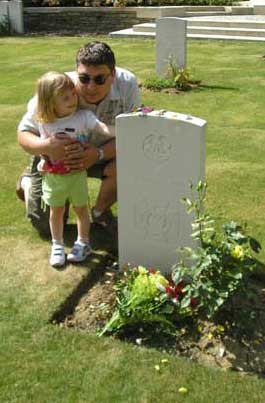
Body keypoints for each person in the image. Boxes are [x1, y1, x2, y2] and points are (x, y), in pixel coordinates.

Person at [17, 41, 141, 237]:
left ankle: (100, 211)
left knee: (133, 160)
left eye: (100, 79)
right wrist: (48, 146)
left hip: (103, 151)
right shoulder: (57, 88)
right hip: (55, 157)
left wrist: (98, 154)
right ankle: (27, 180)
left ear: (113, 74)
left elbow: (132, 133)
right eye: (83, 78)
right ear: (76, 73)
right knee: (43, 224)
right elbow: (23, 134)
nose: (91, 87)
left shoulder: (128, 85)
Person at [34, 71, 114, 267]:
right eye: (65, 98)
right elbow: (44, 147)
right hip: (54, 178)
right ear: (50, 102)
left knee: (81, 210)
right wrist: (42, 161)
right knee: (56, 211)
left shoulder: (84, 117)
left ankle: (83, 242)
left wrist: (127, 127)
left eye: (72, 94)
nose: (72, 99)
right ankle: (58, 245)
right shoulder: (45, 123)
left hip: (77, 175)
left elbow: (104, 129)